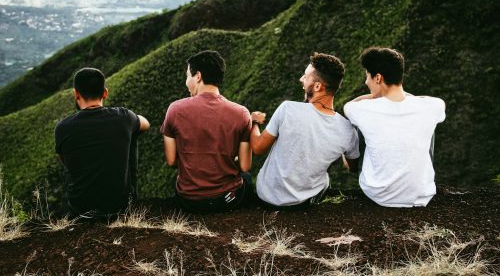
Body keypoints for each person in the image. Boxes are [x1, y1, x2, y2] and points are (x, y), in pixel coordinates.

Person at [251, 52, 359, 210]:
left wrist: (254, 122)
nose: (301, 79)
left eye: (305, 76)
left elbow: (258, 148)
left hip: (266, 197)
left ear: (317, 86)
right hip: (304, 203)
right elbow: (352, 167)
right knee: (325, 179)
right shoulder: (347, 130)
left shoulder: (287, 109)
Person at [344, 47, 446, 207]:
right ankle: (414, 180)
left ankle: (355, 169)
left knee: (358, 125)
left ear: (378, 78)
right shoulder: (434, 106)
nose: (366, 82)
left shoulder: (360, 109)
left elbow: (349, 106)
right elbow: (422, 100)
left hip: (378, 194)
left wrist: (373, 96)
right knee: (426, 125)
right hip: (421, 195)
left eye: (367, 77)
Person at [160, 50, 253, 213]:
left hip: (189, 201)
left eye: (188, 76)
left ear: (198, 76)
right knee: (247, 179)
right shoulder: (242, 113)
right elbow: (245, 166)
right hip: (227, 200)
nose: (186, 82)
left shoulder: (175, 109)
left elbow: (171, 161)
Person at [55, 67, 150, 218]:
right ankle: (129, 198)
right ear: (105, 92)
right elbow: (146, 124)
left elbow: (66, 162)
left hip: (80, 207)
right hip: (118, 206)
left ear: (76, 94)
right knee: (133, 133)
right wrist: (130, 120)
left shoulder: (62, 127)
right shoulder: (124, 117)